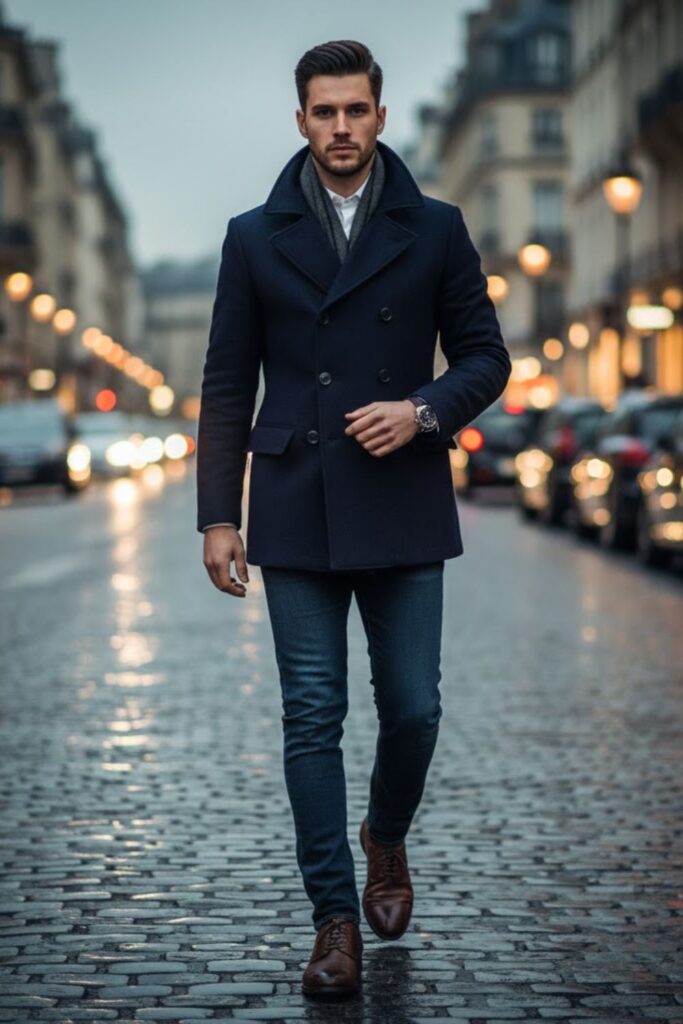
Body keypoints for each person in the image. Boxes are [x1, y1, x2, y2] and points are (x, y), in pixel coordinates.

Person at [196, 39, 511, 999]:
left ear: (380, 116)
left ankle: (384, 835)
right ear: (301, 121)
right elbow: (223, 384)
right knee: (312, 716)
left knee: (414, 707)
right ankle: (333, 919)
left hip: (402, 495)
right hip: (295, 496)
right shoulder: (255, 235)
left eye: (355, 111)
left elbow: (484, 358)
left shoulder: (437, 226)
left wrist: (421, 409)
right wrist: (218, 514)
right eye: (322, 112)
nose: (340, 128)